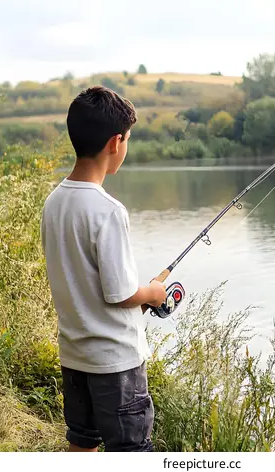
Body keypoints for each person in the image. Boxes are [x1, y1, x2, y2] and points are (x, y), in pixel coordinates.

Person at [40, 86, 167, 452]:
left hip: (75, 356)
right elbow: (123, 293)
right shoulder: (108, 210)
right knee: (130, 450)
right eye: (127, 140)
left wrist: (138, 297)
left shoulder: (55, 201)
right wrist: (153, 294)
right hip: (116, 365)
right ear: (116, 143)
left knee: (82, 441)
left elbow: (88, 284)